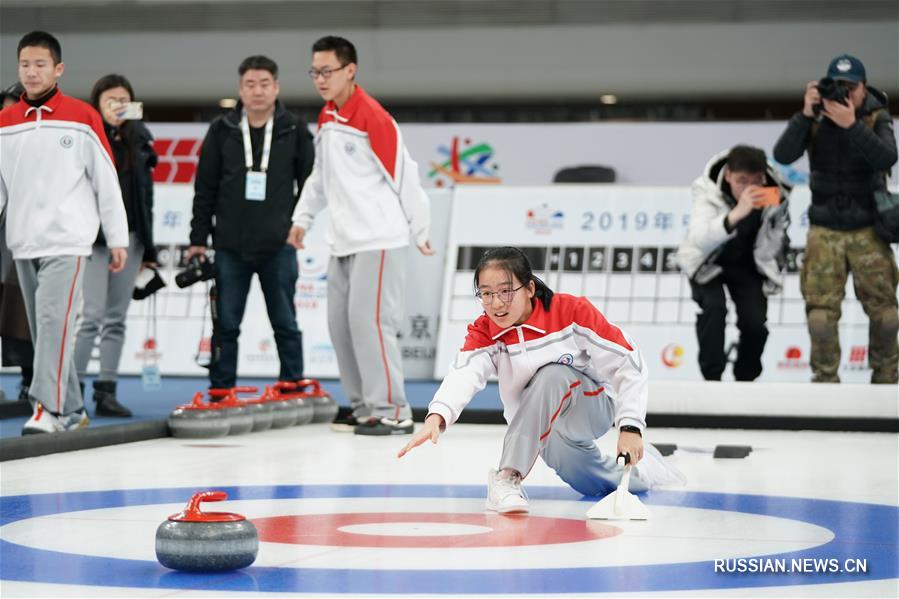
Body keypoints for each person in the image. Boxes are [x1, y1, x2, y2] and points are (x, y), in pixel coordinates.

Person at [398, 247, 684, 513]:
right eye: (486, 294)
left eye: (506, 292)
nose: (496, 303)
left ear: (530, 288)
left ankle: (507, 476)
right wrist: (437, 415)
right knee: (598, 483)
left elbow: (627, 361)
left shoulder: (570, 312)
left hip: (590, 407)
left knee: (553, 375)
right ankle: (650, 470)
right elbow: (464, 372)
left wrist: (631, 426)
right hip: (541, 430)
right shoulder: (486, 331)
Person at [288, 35, 434, 437]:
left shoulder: (372, 116)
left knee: (370, 323)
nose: (320, 79)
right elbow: (321, 176)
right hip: (343, 240)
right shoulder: (327, 117)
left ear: (350, 70)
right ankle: (364, 407)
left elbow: (405, 175)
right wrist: (303, 217)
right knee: (341, 325)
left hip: (380, 238)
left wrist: (419, 227)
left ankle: (394, 410)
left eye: (327, 71)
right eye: (314, 72)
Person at [0, 31, 129, 434]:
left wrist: (118, 237)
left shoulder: (83, 115)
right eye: (25, 64)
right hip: (23, 241)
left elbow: (106, 180)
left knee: (54, 322)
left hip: (69, 240)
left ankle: (48, 410)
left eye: (40, 64)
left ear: (58, 69)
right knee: (43, 333)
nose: (32, 72)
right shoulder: (4, 122)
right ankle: (72, 408)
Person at [188, 55, 314, 391]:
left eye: (264, 84)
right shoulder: (222, 129)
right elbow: (205, 188)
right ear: (240, 90)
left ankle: (291, 384)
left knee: (285, 322)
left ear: (276, 87)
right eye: (250, 85)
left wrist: (301, 224)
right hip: (230, 245)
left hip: (279, 245)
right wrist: (198, 238)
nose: (257, 91)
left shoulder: (294, 128)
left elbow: (311, 184)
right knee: (226, 323)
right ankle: (221, 388)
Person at [773, 54, 898, 384]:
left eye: (851, 87)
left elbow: (888, 157)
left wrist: (851, 125)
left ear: (864, 87)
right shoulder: (814, 116)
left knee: (886, 314)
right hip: (824, 227)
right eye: (837, 86)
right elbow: (783, 155)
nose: (845, 93)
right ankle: (825, 381)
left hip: (869, 226)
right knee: (820, 316)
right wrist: (804, 113)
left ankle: (887, 378)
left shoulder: (875, 115)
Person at [72, 74, 158, 417]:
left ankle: (106, 390)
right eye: (110, 100)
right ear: (98, 104)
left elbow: (145, 198)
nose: (118, 105)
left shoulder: (140, 142)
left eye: (124, 99)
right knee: (90, 316)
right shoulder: (87, 139)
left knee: (116, 318)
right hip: (94, 240)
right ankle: (72, 390)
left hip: (132, 238)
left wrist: (147, 249)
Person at [677, 145, 790, 381]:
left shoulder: (775, 195)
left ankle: (745, 381)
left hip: (749, 264)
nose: (749, 188)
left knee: (755, 324)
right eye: (741, 181)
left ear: (763, 177)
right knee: (714, 308)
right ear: (728, 175)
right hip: (707, 262)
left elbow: (776, 238)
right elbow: (699, 239)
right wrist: (736, 214)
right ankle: (712, 378)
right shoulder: (707, 190)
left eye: (755, 181)